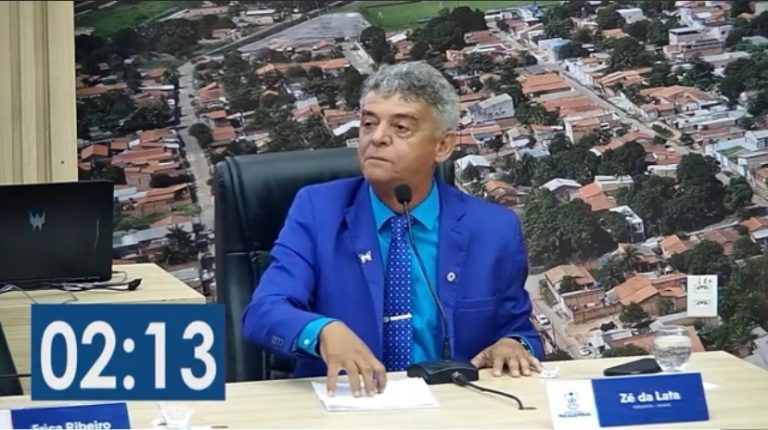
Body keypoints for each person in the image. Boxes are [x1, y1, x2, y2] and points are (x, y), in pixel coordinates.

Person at [242, 61, 543, 398]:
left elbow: (521, 332)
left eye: (400, 127)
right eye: (369, 123)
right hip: (349, 405)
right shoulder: (317, 210)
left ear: (442, 146)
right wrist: (322, 331)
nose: (377, 137)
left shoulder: (493, 228)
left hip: (455, 407)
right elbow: (263, 312)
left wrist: (513, 345)